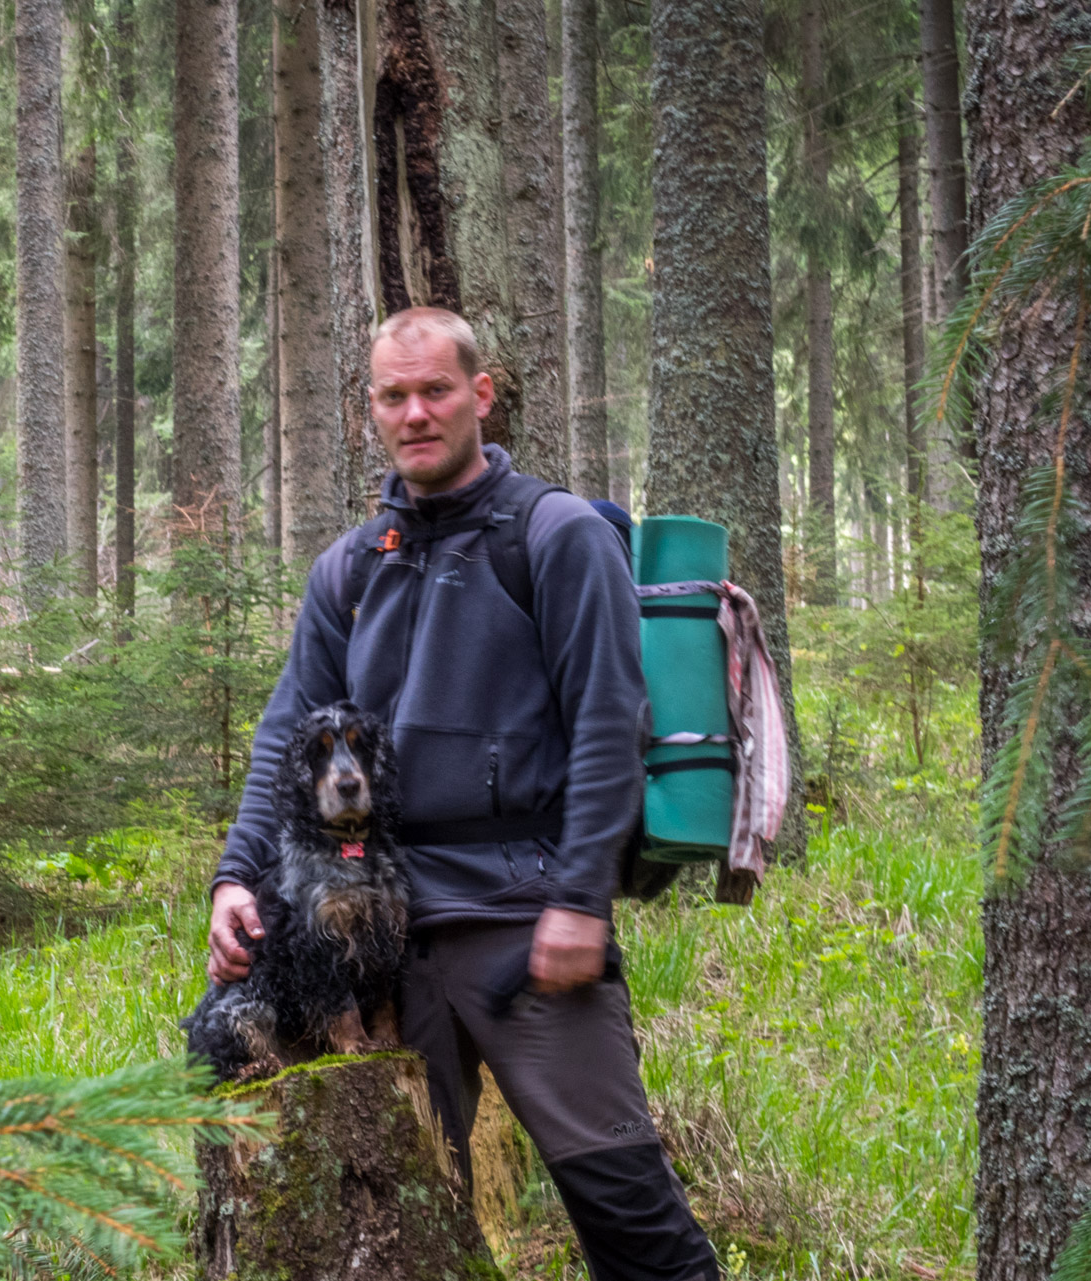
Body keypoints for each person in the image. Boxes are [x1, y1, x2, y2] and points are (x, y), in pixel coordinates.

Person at [208, 307, 718, 1280]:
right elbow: (288, 736)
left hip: (527, 933)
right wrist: (237, 877)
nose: (415, 414)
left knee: (629, 1216)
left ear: (480, 395)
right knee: (376, 1224)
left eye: (435, 390)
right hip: (384, 948)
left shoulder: (556, 536)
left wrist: (580, 898)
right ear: (371, 410)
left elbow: (612, 723)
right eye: (394, 397)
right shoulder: (352, 567)